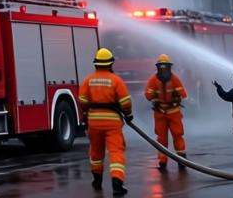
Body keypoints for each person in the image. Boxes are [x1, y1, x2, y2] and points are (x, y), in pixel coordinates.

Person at [78, 48, 133, 195]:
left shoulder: (88, 80)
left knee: (96, 152)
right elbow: (126, 102)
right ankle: (117, 183)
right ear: (110, 64)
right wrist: (128, 115)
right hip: (112, 122)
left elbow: (82, 100)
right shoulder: (116, 80)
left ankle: (97, 180)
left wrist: (87, 112)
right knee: (116, 152)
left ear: (96, 64)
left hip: (94, 121)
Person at [144, 55, 187, 173]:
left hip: (173, 112)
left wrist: (175, 94)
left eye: (165, 68)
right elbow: (147, 95)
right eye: (161, 68)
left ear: (169, 67)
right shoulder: (153, 80)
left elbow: (184, 94)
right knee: (161, 138)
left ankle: (181, 159)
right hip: (160, 113)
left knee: (177, 135)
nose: (163, 70)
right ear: (158, 68)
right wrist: (154, 95)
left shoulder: (175, 79)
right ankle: (162, 161)